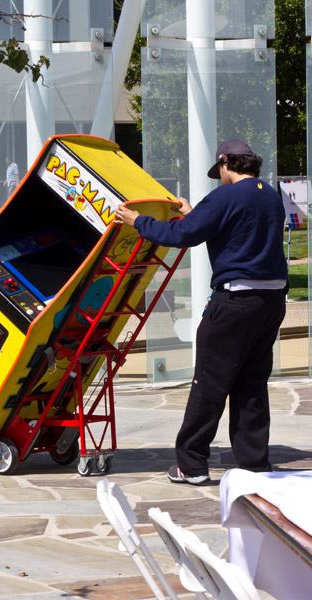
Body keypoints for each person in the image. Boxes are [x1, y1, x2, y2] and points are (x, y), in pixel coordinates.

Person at [114, 139, 288, 484]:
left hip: (235, 301)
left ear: (226, 162)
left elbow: (181, 236)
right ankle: (254, 464)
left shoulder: (225, 195)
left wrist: (138, 222)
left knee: (209, 382)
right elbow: (236, 231)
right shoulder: (269, 194)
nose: (219, 177)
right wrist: (197, 213)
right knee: (251, 384)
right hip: (271, 301)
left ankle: (191, 464)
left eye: (219, 171)